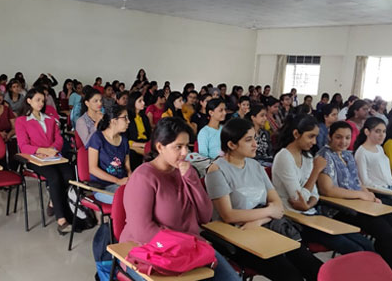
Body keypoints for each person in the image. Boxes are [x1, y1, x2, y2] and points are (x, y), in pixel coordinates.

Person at [120, 117, 241, 281]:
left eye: (187, 146)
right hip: (151, 251)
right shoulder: (143, 177)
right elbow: (143, 232)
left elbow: (205, 216)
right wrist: (186, 244)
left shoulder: (184, 171)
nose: (185, 153)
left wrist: (192, 179)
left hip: (189, 249)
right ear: (160, 147)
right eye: (178, 147)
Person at [205, 118, 322, 281]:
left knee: (313, 266)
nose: (255, 144)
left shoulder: (255, 166)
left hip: (263, 227)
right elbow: (229, 215)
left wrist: (260, 220)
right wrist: (269, 212)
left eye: (254, 138)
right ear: (232, 145)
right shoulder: (216, 170)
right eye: (248, 140)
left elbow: (278, 205)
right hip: (236, 235)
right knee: (290, 275)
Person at [316, 121, 392, 281]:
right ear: (329, 136)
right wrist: (360, 195)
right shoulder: (324, 156)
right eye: (338, 137)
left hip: (360, 204)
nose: (343, 142)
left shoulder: (347, 154)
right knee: (385, 231)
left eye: (347, 137)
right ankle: (387, 274)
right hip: (340, 209)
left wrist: (369, 195)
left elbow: (357, 182)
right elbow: (328, 190)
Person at [272, 114, 374, 254]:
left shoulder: (306, 156)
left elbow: (314, 194)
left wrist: (307, 204)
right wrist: (316, 171)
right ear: (296, 134)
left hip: (311, 213)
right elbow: (297, 198)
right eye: (310, 136)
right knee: (355, 249)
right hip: (295, 219)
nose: (314, 142)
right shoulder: (284, 157)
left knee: (366, 244)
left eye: (315, 137)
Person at [15, 89, 75, 235]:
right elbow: (23, 146)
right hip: (35, 158)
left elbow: (59, 138)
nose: (41, 103)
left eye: (43, 100)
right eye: (38, 100)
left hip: (53, 156)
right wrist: (42, 150)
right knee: (54, 177)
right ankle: (61, 220)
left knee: (69, 175)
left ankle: (53, 202)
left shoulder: (49, 119)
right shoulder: (22, 121)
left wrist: (53, 149)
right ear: (29, 101)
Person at [87, 105, 131, 204]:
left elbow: (127, 168)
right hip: (103, 187)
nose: (128, 121)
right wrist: (117, 181)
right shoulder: (97, 138)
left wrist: (131, 179)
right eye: (125, 118)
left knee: (143, 196)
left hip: (121, 184)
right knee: (128, 201)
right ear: (113, 120)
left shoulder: (124, 140)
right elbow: (93, 169)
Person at [125, 92, 151, 170]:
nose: (143, 103)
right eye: (140, 101)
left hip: (145, 142)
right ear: (133, 103)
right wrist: (143, 145)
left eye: (143, 100)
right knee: (134, 154)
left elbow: (149, 134)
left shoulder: (144, 117)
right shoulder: (128, 118)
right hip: (133, 144)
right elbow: (126, 139)